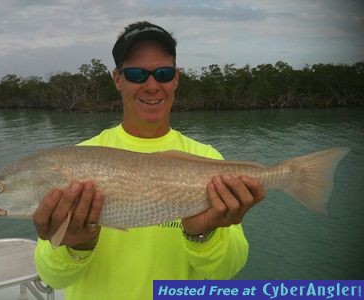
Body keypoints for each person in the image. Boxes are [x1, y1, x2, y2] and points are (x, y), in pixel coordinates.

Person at [33, 21, 266, 300]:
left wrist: (202, 234)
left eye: (164, 74)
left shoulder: (207, 159)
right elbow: (52, 276)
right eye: (136, 74)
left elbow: (226, 271)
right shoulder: (76, 160)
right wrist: (76, 246)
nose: (152, 86)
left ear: (176, 78)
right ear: (117, 79)